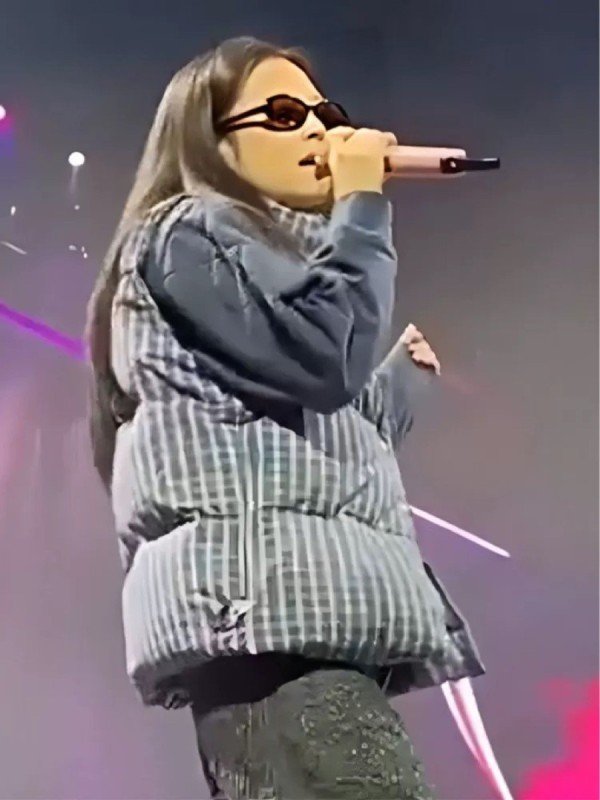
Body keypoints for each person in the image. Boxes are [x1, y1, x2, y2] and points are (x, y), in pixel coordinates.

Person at [86, 36, 485, 799]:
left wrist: (400, 388)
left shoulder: (274, 274)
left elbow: (310, 445)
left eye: (324, 113)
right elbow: (324, 363)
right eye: (281, 113)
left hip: (308, 648)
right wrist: (361, 206)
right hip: (272, 647)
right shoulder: (186, 233)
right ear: (209, 139)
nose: (318, 130)